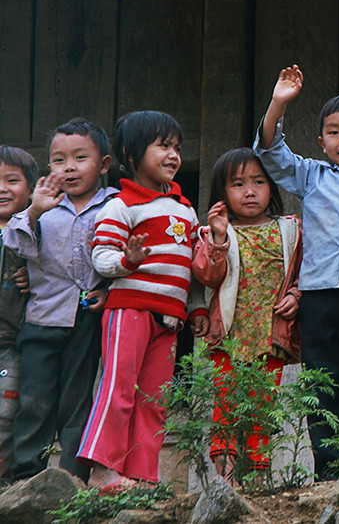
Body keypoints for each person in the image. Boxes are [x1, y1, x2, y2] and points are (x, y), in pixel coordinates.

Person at [255, 65, 339, 478]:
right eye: (334, 132)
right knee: (321, 386)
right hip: (318, 296)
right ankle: (328, 469)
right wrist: (279, 102)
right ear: (321, 142)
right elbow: (271, 154)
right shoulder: (312, 175)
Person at [78, 111, 209, 491]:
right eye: (163, 146)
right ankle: (102, 469)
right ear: (132, 155)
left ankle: (142, 474)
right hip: (129, 311)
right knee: (119, 390)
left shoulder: (185, 210)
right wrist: (127, 261)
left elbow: (188, 267)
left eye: (177, 148)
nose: (173, 156)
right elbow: (100, 256)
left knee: (155, 400)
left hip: (169, 320)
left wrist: (196, 306)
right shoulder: (122, 205)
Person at [3, 121, 117, 481]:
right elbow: (15, 245)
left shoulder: (114, 206)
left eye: (80, 158)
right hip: (41, 319)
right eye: (58, 160)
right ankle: (25, 477)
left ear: (104, 164)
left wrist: (109, 291)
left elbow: (123, 263)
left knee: (76, 402)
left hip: (85, 322)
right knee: (34, 402)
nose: (69, 167)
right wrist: (36, 210)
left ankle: (71, 478)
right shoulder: (43, 209)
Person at [192, 148, 302, 481]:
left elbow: (303, 274)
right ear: (222, 193)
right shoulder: (214, 233)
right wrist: (220, 237)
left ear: (272, 186)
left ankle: (257, 478)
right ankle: (226, 481)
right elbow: (207, 276)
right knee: (225, 405)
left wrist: (297, 296)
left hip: (271, 336)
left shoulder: (290, 230)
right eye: (238, 184)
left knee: (262, 408)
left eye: (258, 181)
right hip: (229, 335)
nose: (250, 191)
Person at [0, 146, 35, 477]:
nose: (1, 188)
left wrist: (31, 272)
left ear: (32, 190)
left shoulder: (36, 230)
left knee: (6, 413)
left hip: (12, 341)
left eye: (12, 180)